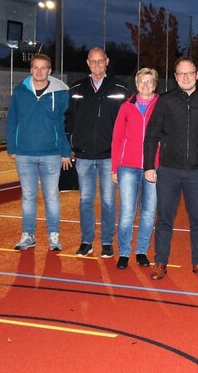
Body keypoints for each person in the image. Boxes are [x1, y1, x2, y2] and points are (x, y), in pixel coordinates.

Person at [143, 56, 198, 280]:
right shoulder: (165, 101)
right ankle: (160, 262)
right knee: (164, 219)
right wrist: (149, 165)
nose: (186, 77)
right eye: (181, 73)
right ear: (175, 77)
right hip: (168, 172)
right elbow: (152, 135)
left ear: (197, 75)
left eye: (190, 73)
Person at [65, 47, 131, 259]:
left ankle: (106, 243)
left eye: (100, 61)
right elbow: (68, 119)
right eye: (93, 62)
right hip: (83, 156)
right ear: (87, 63)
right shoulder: (76, 88)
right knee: (85, 200)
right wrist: (70, 144)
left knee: (109, 201)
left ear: (107, 61)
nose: (97, 65)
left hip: (109, 156)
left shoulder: (120, 88)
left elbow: (128, 121)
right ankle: (86, 242)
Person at [6, 53, 72, 251]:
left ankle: (54, 236)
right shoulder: (19, 91)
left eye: (43, 68)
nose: (39, 71)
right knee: (28, 196)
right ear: (30, 69)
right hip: (24, 154)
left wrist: (65, 151)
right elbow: (12, 120)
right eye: (36, 67)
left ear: (50, 71)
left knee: (51, 196)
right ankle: (28, 235)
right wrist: (12, 146)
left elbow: (64, 123)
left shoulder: (61, 93)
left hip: (51, 153)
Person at [111, 68, 160, 270]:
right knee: (127, 212)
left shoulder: (161, 106)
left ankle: (141, 251)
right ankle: (124, 252)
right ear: (136, 84)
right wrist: (115, 168)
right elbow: (117, 138)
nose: (145, 85)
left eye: (149, 81)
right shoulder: (126, 107)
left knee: (149, 213)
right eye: (142, 81)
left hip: (153, 168)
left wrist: (160, 163)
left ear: (155, 85)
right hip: (128, 168)